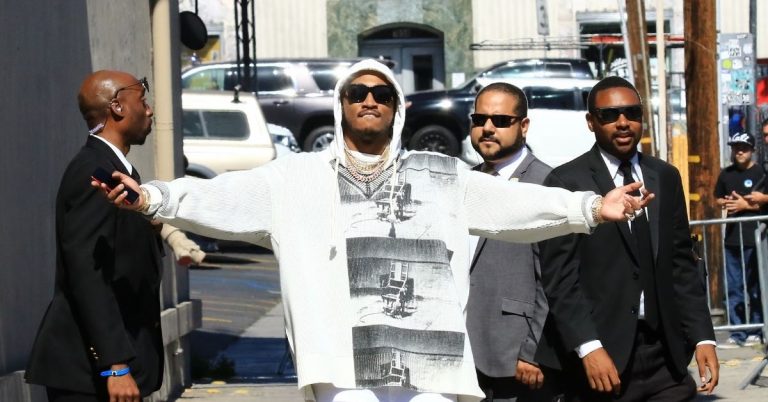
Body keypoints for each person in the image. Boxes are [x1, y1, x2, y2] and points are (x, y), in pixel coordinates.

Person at [96, 60, 649, 402]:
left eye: (381, 95)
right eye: (357, 92)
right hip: (343, 369)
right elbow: (222, 196)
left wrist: (590, 207)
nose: (369, 100)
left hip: (429, 371)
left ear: (396, 109)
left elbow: (516, 203)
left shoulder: (440, 174)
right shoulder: (298, 178)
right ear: (340, 105)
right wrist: (153, 198)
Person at [535, 76, 719, 401]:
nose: (623, 123)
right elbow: (560, 279)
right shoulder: (566, 182)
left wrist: (703, 336)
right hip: (601, 361)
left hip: (666, 359)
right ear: (591, 122)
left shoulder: (665, 176)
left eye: (632, 113)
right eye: (609, 115)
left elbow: (681, 264)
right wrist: (588, 346)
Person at [25, 71, 164, 402]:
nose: (149, 110)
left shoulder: (116, 169)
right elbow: (87, 273)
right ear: (117, 107)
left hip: (110, 368)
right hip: (90, 375)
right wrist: (115, 366)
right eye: (142, 100)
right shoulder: (94, 174)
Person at [465, 82, 550, 402]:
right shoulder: (465, 181)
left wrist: (533, 351)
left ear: (523, 126)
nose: (487, 128)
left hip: (516, 361)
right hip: (464, 360)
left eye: (500, 120)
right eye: (479, 119)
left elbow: (556, 281)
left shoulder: (546, 184)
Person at [715, 132, 764, 348]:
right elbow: (717, 197)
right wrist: (724, 202)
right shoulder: (726, 174)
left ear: (752, 149)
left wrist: (746, 205)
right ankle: (737, 332)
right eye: (736, 147)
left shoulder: (761, 173)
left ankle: (756, 329)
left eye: (743, 147)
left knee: (755, 287)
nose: (739, 151)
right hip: (733, 239)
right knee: (734, 288)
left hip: (756, 238)